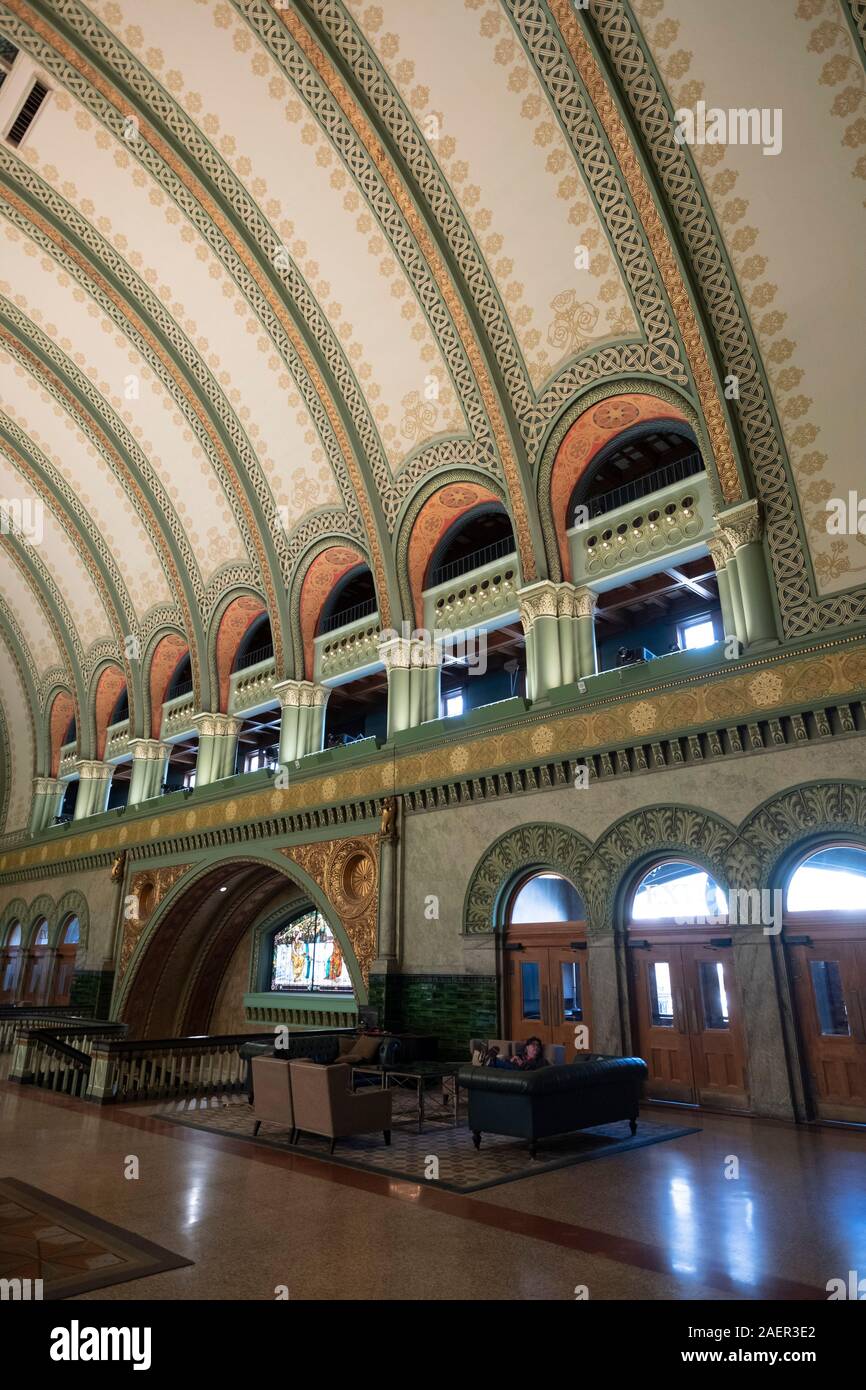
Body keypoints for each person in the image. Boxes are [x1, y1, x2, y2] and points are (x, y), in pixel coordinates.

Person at [485, 1036, 549, 1070]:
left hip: (524, 1074)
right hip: (512, 1075)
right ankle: (490, 1061)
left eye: (538, 1046)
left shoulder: (542, 1061)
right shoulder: (519, 1056)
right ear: (527, 1047)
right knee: (506, 1063)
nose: (536, 1047)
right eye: (533, 1045)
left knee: (516, 1068)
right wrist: (511, 1060)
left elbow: (535, 1070)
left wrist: (522, 1064)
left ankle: (491, 1060)